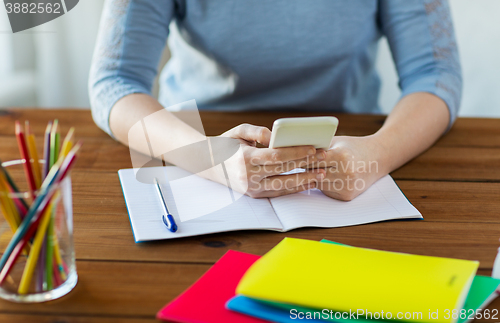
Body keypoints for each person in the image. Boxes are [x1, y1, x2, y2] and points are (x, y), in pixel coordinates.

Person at [89, 0, 461, 201]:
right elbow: (115, 81)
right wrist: (208, 157)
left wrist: (376, 154)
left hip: (352, 149)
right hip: (192, 147)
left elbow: (435, 73)